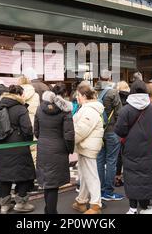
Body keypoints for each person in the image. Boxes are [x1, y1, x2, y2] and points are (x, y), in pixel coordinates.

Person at [115, 80, 152, 214]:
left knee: (133, 178)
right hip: (151, 148)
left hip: (132, 150)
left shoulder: (125, 110)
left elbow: (119, 130)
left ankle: (133, 208)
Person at [0, 85, 36, 214]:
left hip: (2, 145)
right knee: (23, 173)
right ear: (19, 95)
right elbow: (27, 129)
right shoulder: (21, 109)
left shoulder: (0, 106)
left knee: (4, 174)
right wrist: (28, 140)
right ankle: (21, 203)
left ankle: (4, 205)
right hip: (19, 146)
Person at [34, 83, 75, 214]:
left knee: (48, 181)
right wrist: (70, 149)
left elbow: (36, 131)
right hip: (58, 148)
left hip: (43, 147)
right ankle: (51, 211)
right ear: (64, 95)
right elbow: (69, 135)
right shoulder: (65, 110)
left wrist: (43, 140)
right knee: (53, 184)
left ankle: (49, 210)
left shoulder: (40, 108)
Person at [72, 82, 104, 214]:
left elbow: (80, 130)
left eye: (78, 95)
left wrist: (69, 142)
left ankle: (96, 205)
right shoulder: (89, 108)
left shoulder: (88, 110)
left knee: (91, 175)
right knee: (85, 175)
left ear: (84, 96)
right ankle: (81, 200)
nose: (77, 98)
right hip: (86, 146)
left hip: (87, 147)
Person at [95, 70, 124, 201]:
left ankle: (99, 190)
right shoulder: (113, 93)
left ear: (99, 78)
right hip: (112, 130)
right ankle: (109, 191)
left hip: (98, 131)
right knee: (111, 161)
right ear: (110, 78)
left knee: (99, 160)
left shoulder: (93, 92)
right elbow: (119, 113)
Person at [18, 75, 40, 172]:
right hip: (33, 123)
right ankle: (34, 173)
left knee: (21, 151)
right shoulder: (36, 95)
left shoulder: (18, 95)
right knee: (34, 150)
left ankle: (24, 173)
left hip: (21, 124)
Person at [115, 81, 130, 187]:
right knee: (128, 154)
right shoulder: (131, 98)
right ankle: (128, 176)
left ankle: (117, 177)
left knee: (118, 155)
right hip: (129, 129)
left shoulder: (115, 97)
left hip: (118, 129)